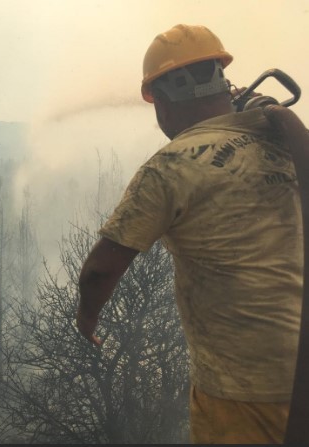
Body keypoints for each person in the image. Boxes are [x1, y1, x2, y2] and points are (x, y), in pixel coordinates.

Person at [76, 24, 305, 444]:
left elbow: (99, 271)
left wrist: (86, 317)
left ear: (161, 100)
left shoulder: (170, 167)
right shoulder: (281, 141)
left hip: (243, 391)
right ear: (225, 83)